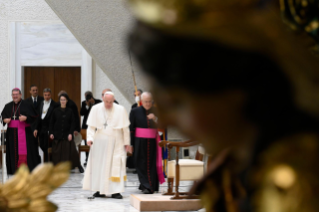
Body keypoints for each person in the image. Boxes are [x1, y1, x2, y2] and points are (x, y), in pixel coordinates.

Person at [128, 0, 319, 211]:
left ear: (238, 87)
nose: (164, 120)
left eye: (176, 103)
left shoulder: (293, 189)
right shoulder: (244, 166)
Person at [82, 91, 131, 199]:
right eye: (106, 101)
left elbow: (125, 129)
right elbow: (91, 126)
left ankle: (116, 191)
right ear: (103, 99)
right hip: (100, 141)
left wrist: (127, 142)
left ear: (113, 100)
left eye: (110, 102)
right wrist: (89, 138)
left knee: (116, 166)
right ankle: (99, 190)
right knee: (100, 165)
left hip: (117, 141)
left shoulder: (121, 109)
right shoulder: (96, 108)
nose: (108, 104)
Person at [129, 92, 165, 194]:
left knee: (151, 164)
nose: (148, 104)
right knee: (140, 163)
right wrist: (131, 144)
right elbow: (131, 129)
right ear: (141, 101)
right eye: (145, 102)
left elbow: (163, 126)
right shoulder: (135, 111)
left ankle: (150, 185)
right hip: (139, 141)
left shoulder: (156, 111)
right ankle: (145, 185)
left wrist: (155, 118)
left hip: (153, 142)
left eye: (149, 102)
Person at [1, 88, 41, 174]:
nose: (15, 96)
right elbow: (2, 116)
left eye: (17, 94)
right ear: (12, 96)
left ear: (20, 95)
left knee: (27, 151)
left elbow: (35, 117)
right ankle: (13, 170)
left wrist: (26, 118)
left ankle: (27, 169)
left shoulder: (27, 105)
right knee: (12, 151)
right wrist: (5, 120)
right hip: (11, 134)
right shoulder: (8, 106)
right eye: (13, 95)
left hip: (25, 132)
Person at [49, 93, 84, 173]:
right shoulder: (55, 111)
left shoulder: (70, 111)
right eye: (61, 100)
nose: (63, 101)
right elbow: (51, 123)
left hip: (67, 134)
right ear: (59, 101)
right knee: (57, 152)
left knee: (72, 152)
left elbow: (73, 123)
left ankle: (78, 165)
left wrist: (70, 133)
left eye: (64, 100)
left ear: (67, 101)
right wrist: (51, 133)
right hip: (57, 135)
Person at [33, 88, 57, 162]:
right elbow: (38, 117)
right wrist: (36, 128)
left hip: (49, 128)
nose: (47, 96)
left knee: (48, 146)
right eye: (45, 95)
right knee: (42, 145)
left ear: (51, 95)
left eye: (48, 95)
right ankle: (47, 160)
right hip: (41, 128)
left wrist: (52, 130)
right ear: (43, 95)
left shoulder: (55, 105)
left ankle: (48, 162)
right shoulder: (41, 103)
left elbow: (55, 118)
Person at [80, 91, 102, 165]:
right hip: (86, 126)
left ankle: (96, 159)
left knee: (96, 142)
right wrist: (87, 105)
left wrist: (94, 103)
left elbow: (101, 111)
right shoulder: (84, 103)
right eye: (86, 96)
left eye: (89, 96)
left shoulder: (98, 102)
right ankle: (87, 159)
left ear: (92, 96)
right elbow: (81, 113)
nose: (87, 98)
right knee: (87, 143)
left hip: (96, 125)